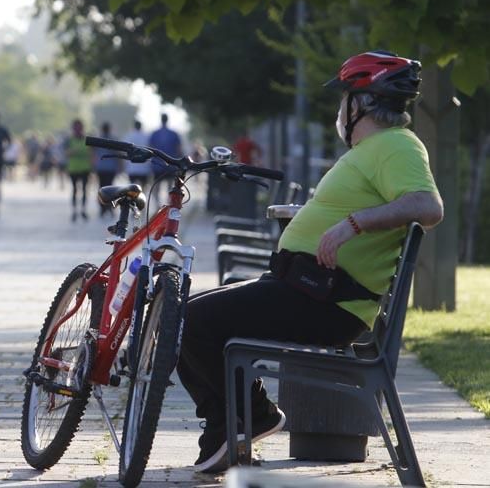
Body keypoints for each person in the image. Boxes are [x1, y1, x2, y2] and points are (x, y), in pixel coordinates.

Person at [176, 51, 443, 473]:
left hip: (327, 304)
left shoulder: (396, 146)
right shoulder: (374, 149)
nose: (340, 110)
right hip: (307, 291)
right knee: (185, 316)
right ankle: (236, 423)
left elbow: (427, 206)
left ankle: (246, 419)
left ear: (361, 104)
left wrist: (352, 224)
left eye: (345, 99)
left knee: (189, 321)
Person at [148, 113, 183, 204]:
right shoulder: (174, 134)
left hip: (157, 164)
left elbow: (150, 149)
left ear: (161, 119)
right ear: (167, 120)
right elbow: (179, 150)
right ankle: (168, 203)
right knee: (170, 185)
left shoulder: (154, 134)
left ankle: (157, 204)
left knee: (157, 186)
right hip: (171, 164)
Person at [64, 119, 93, 222]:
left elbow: (91, 154)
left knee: (85, 190)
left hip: (85, 168)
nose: (78, 130)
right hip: (73, 168)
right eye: (76, 128)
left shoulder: (87, 139)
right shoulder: (69, 139)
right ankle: (74, 211)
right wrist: (72, 152)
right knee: (75, 190)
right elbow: (66, 153)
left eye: (79, 128)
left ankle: (83, 210)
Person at [93, 121, 122, 217]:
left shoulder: (98, 139)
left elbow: (93, 153)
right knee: (111, 189)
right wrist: (120, 166)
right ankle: (110, 208)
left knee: (101, 188)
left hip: (101, 167)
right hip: (111, 167)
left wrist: (93, 165)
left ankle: (102, 208)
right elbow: (118, 154)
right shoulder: (114, 139)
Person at [122, 119, 152, 188]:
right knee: (143, 187)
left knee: (132, 187)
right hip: (144, 167)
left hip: (132, 167)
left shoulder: (129, 136)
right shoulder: (146, 136)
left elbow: (124, 150)